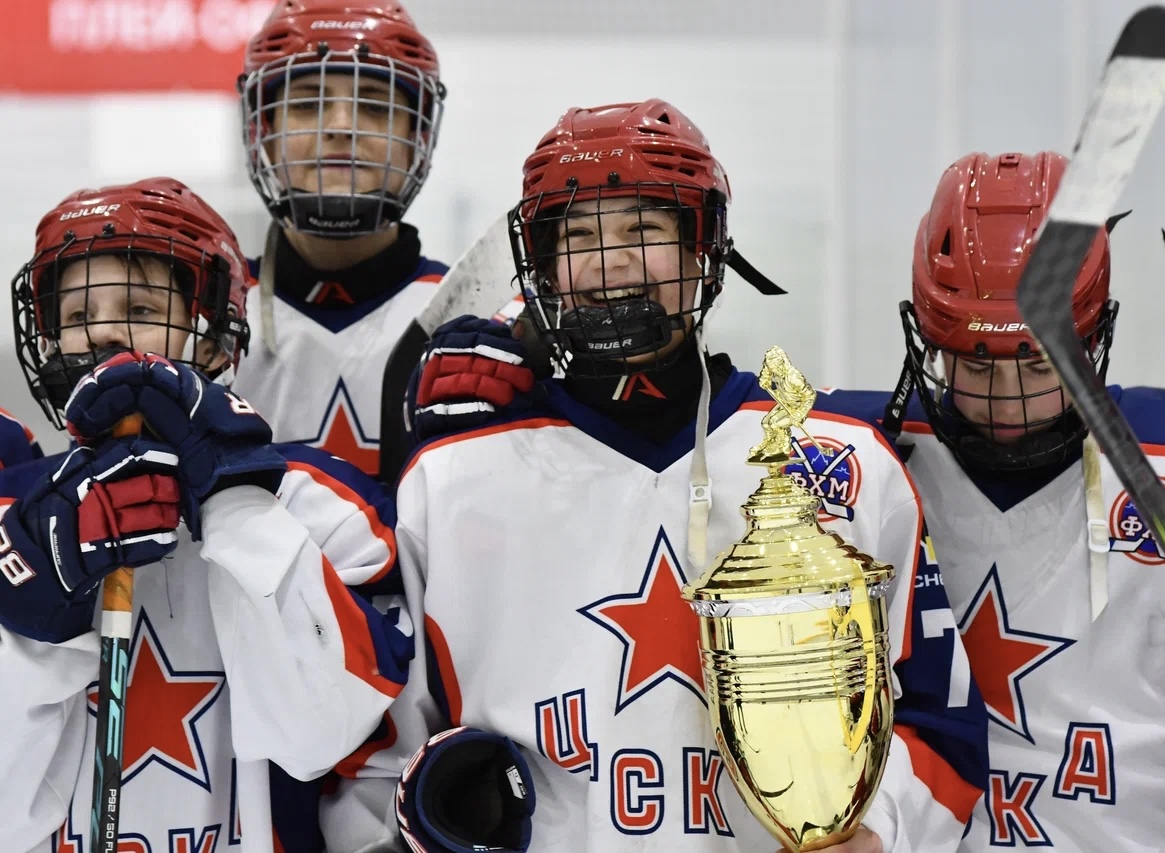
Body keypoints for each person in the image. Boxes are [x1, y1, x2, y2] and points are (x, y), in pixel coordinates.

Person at [375, 100, 989, 853]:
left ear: (704, 250)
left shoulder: (843, 463)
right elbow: (380, 753)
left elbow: (940, 721)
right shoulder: (451, 479)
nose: (610, 259)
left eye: (644, 230)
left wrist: (879, 827)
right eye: (577, 235)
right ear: (538, 267)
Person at [0, 178, 414, 852]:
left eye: (137, 304)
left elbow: (320, 734)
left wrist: (236, 500)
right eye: (77, 315)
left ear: (217, 341)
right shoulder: (12, 511)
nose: (103, 329)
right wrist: (37, 621)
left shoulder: (316, 502)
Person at [836, 150, 1162, 852]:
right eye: (976, 363)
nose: (1007, 401)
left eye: (1040, 362)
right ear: (930, 343)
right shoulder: (859, 453)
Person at [232, 0, 450, 476]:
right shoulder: (203, 324)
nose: (340, 126)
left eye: (374, 106)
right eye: (307, 103)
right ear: (263, 132)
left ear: (417, 135)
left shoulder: (470, 318)